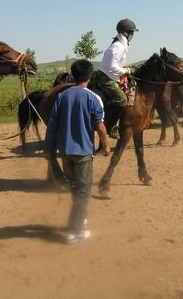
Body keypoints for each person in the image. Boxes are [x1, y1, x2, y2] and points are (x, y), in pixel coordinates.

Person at [44, 59, 111, 245]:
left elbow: (52, 124)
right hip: (82, 154)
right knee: (83, 192)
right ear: (89, 76)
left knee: (75, 188)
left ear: (73, 75)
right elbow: (100, 127)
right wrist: (105, 146)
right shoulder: (92, 98)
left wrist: (48, 149)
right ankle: (74, 231)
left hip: (65, 152)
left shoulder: (62, 96)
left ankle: (80, 218)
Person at [95, 18, 138, 138]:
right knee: (122, 100)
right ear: (126, 33)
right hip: (106, 78)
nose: (132, 36)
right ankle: (111, 127)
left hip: (110, 75)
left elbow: (115, 64)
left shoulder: (119, 45)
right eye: (132, 33)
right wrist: (126, 71)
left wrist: (124, 67)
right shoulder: (118, 46)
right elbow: (111, 66)